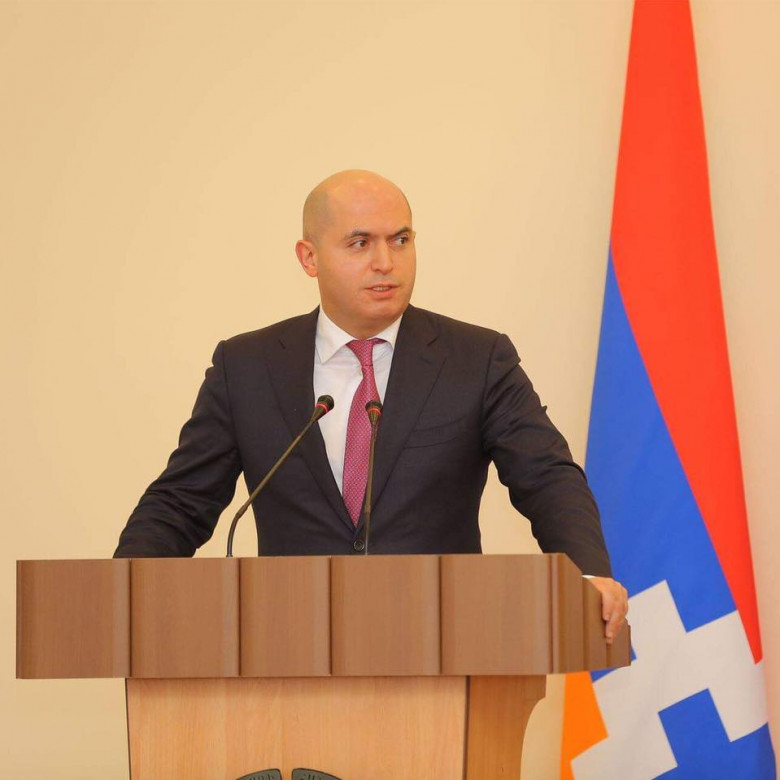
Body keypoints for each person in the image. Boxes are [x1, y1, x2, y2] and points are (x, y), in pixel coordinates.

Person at [114, 170, 628, 643]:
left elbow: (546, 477)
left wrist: (585, 574)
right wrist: (121, 591)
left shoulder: (476, 358)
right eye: (360, 243)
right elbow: (182, 501)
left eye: (400, 240)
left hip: (442, 646)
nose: (385, 262)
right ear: (309, 258)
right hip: (288, 648)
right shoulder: (247, 367)